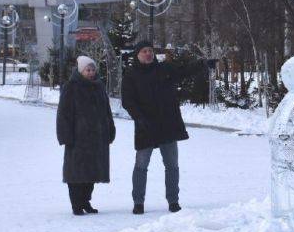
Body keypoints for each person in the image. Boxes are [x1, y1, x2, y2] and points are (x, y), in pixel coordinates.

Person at [121, 41, 215, 214]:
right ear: (137, 54)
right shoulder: (131, 74)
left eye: (150, 51)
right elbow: (127, 100)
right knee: (141, 166)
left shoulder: (165, 69)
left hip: (167, 124)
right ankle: (138, 202)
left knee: (172, 165)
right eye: (144, 51)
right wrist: (139, 118)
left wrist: (202, 64)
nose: (148, 54)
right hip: (145, 126)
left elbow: (184, 72)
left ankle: (173, 201)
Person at [57, 56, 116, 215]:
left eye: (92, 69)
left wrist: (110, 129)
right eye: (87, 70)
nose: (90, 73)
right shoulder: (71, 87)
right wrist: (65, 135)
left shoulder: (99, 86)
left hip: (97, 139)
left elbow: (106, 111)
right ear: (80, 70)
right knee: (76, 174)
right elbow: (64, 113)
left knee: (92, 173)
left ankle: (86, 201)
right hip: (78, 139)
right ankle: (76, 204)